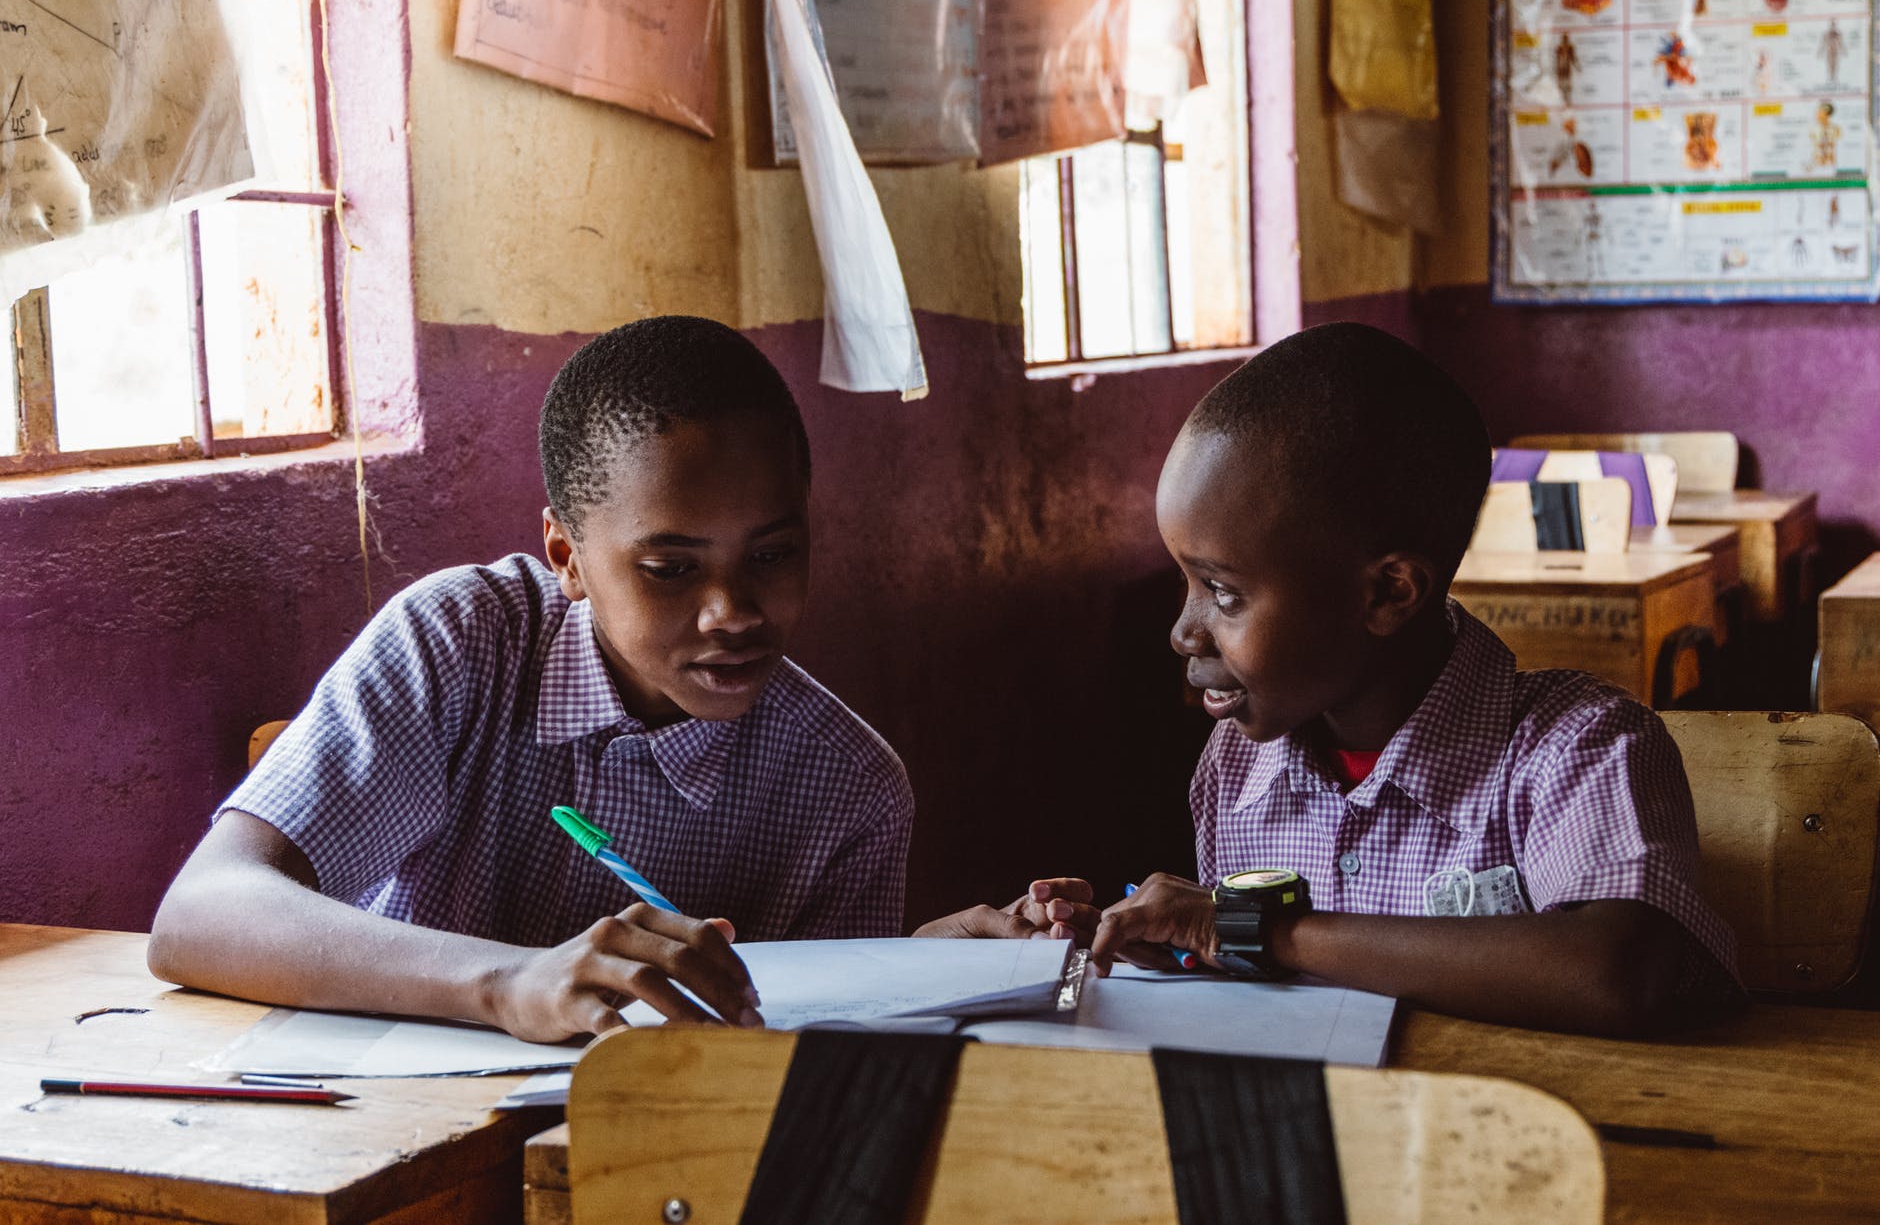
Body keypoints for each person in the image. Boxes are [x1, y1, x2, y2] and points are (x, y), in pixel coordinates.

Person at [923, 323, 1738, 1036]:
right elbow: (1256, 982)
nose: (1182, 630)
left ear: (1387, 593)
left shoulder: (1576, 746)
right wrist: (1145, 939)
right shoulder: (1239, 767)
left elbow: (1620, 970)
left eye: (1224, 592)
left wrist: (1254, 927)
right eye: (1186, 583)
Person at [150, 316, 914, 1043]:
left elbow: (818, 1052)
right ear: (567, 556)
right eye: (671, 569)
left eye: (773, 554)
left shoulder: (848, 786)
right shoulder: (460, 647)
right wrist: (507, 983)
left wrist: (930, 960)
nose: (731, 612)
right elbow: (199, 916)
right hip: (389, 1127)